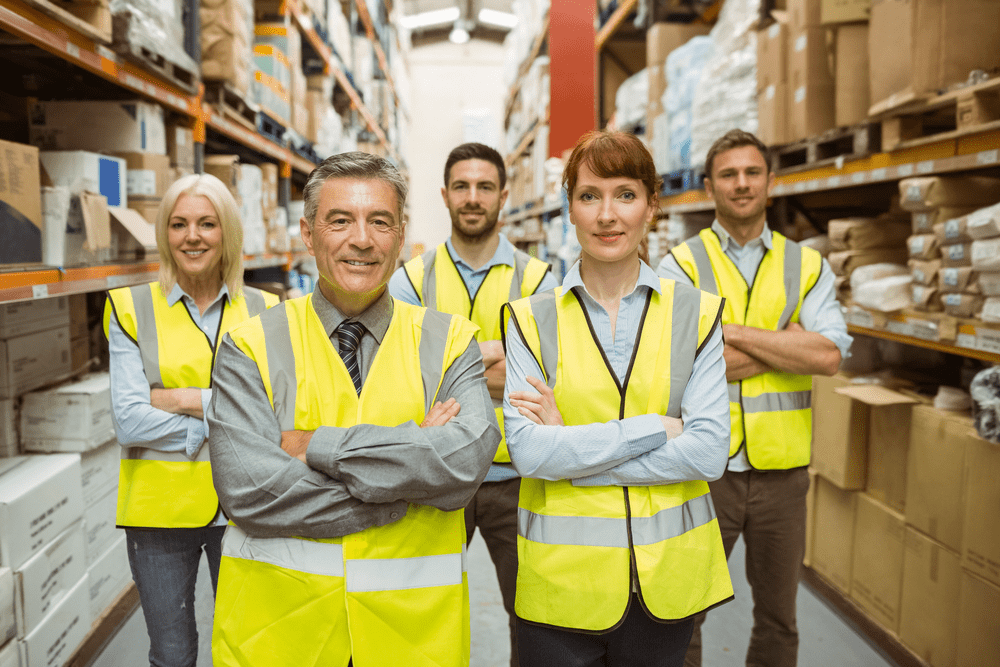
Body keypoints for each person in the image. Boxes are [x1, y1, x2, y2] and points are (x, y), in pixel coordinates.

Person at [207, 151, 500, 667]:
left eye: (379, 221)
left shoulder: (451, 340)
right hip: (282, 632)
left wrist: (311, 445)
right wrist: (408, 480)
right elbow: (248, 489)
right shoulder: (248, 346)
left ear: (401, 235)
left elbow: (463, 464)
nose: (361, 239)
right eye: (339, 220)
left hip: (410, 636)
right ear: (307, 233)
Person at [501, 130, 735, 667]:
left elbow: (708, 453)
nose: (608, 215)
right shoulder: (531, 320)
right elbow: (531, 454)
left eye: (625, 194)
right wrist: (656, 427)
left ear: (652, 206)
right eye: (590, 196)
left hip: (666, 582)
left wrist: (572, 452)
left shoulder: (694, 314)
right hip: (562, 585)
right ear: (571, 209)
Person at [657, 129, 851, 667]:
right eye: (728, 174)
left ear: (771, 182)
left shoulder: (806, 265)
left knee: (779, 620)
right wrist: (787, 344)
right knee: (683, 612)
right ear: (708, 185)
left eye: (751, 173)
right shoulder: (681, 265)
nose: (741, 184)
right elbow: (679, 366)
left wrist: (730, 333)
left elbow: (830, 356)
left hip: (782, 478)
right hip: (704, 472)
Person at [389, 142, 558, 666]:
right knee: (422, 613)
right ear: (444, 195)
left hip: (518, 480)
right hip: (437, 480)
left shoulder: (539, 282)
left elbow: (551, 383)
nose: (473, 197)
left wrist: (448, 371)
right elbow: (399, 381)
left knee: (533, 622)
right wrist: (494, 362)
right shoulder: (411, 280)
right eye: (461, 186)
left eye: (485, 186)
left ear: (504, 196)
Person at [103, 173, 279, 667]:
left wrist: (181, 399)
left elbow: (273, 415)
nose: (192, 236)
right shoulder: (131, 308)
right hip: (158, 515)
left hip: (246, 507)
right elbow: (130, 421)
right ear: (164, 234)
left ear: (228, 232)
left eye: (207, 223)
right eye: (178, 224)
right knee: (173, 655)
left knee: (247, 650)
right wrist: (221, 414)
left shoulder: (265, 309)